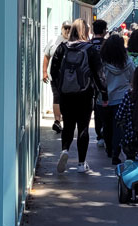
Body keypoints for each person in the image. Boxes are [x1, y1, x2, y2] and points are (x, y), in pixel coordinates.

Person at [49, 18, 106, 174]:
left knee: (68, 124)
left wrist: (60, 86)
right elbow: (98, 73)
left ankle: (65, 150)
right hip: (85, 94)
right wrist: (104, 93)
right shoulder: (90, 49)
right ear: (85, 31)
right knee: (83, 127)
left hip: (66, 93)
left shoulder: (62, 48)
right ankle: (81, 163)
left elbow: (53, 70)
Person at [100, 34, 135, 166]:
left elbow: (98, 78)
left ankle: (108, 148)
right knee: (118, 128)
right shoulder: (128, 62)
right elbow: (133, 78)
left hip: (104, 99)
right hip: (121, 98)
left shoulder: (102, 62)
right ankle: (116, 152)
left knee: (106, 126)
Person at [42, 20, 71, 133]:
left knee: (68, 98)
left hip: (69, 76)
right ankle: (57, 121)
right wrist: (45, 72)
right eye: (65, 27)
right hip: (55, 75)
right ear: (61, 28)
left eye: (69, 27)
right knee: (57, 96)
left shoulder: (74, 41)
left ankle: (67, 119)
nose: (67, 30)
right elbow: (46, 56)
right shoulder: (54, 41)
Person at [90, 19, 108, 145]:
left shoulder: (88, 45)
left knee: (96, 108)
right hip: (105, 79)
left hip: (90, 81)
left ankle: (99, 135)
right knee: (106, 106)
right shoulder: (107, 45)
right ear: (103, 31)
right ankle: (105, 132)